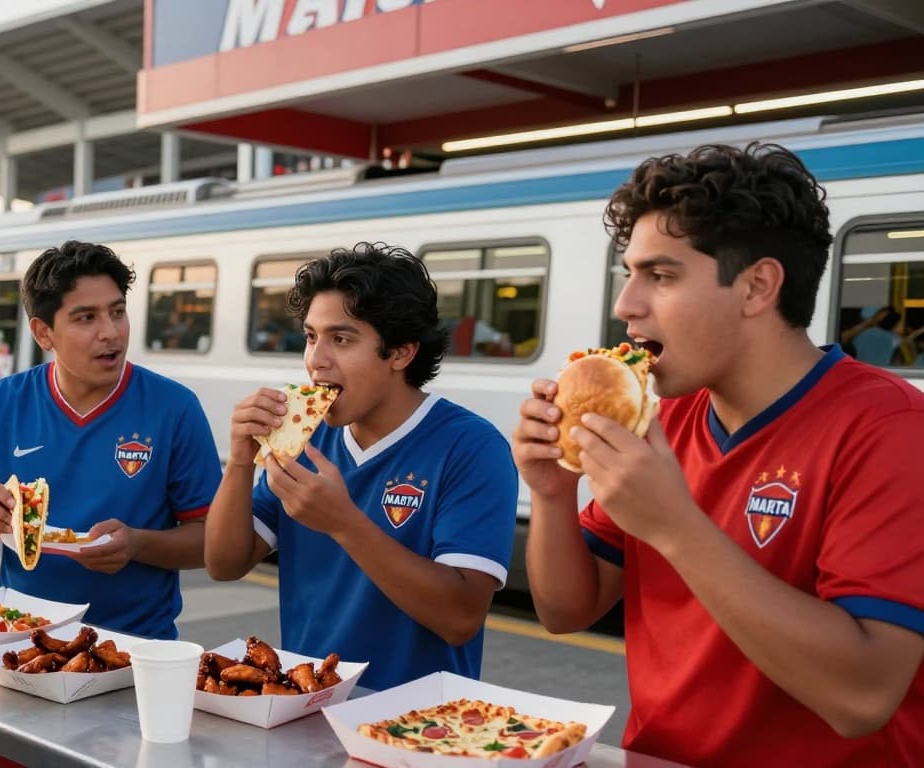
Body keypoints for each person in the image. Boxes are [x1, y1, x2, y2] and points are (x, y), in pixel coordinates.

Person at [513, 144, 924, 766]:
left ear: (758, 286)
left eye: (662, 275)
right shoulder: (665, 419)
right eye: (630, 274)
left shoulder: (888, 427)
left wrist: (674, 526)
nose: (626, 305)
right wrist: (550, 490)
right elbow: (568, 609)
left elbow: (862, 696)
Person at [204, 243, 518, 690]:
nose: (316, 360)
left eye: (342, 339)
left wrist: (343, 523)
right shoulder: (306, 436)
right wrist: (239, 459)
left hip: (419, 721)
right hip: (307, 700)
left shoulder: (471, 447)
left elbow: (461, 616)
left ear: (401, 353)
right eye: (311, 336)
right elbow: (224, 563)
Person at [0, 241, 221, 639]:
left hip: (135, 648)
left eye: (117, 312)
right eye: (86, 317)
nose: (110, 332)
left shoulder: (174, 407)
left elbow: (213, 541)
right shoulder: (5, 402)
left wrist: (136, 544)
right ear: (43, 332)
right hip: (22, 639)